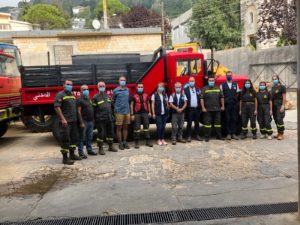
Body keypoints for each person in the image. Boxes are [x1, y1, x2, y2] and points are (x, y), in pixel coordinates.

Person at [54, 80, 81, 165]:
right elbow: (57, 107)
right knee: (65, 139)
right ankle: (65, 158)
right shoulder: (60, 95)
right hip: (66, 122)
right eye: (68, 84)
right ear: (64, 85)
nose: (69, 86)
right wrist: (62, 119)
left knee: (74, 138)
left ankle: (72, 155)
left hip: (73, 121)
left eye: (71, 85)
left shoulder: (72, 95)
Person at [93, 81, 118, 154]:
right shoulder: (95, 97)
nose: (102, 87)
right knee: (101, 134)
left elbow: (111, 107)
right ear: (98, 87)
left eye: (103, 86)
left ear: (105, 87)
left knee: (111, 133)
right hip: (100, 119)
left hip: (109, 118)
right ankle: (100, 148)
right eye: (100, 86)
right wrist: (94, 119)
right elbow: (93, 109)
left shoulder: (108, 96)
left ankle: (110, 146)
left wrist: (113, 116)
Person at [201, 77, 225, 142]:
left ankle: (219, 136)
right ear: (208, 81)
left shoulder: (218, 88)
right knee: (207, 124)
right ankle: (207, 137)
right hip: (207, 110)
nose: (211, 81)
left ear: (214, 81)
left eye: (212, 80)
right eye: (210, 80)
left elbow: (222, 97)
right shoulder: (204, 88)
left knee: (218, 124)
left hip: (217, 109)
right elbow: (202, 99)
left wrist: (222, 106)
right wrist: (203, 107)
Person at [130, 83, 153, 149]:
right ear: (137, 87)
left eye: (141, 87)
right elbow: (131, 105)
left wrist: (150, 112)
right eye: (139, 87)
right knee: (137, 128)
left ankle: (148, 141)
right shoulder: (134, 95)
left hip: (145, 113)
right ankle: (137, 142)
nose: (140, 88)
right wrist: (132, 114)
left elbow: (148, 103)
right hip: (137, 114)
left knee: (146, 127)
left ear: (143, 87)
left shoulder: (146, 95)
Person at [77, 84, 97, 158]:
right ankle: (81, 153)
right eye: (84, 89)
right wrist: (81, 122)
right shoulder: (79, 99)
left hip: (90, 121)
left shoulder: (89, 98)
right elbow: (78, 112)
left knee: (89, 137)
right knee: (82, 138)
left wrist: (93, 119)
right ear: (81, 91)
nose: (86, 91)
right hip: (84, 121)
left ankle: (89, 150)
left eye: (87, 89)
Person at [220, 71, 240, 140]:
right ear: (226, 76)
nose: (229, 76)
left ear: (232, 76)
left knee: (234, 119)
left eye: (230, 75)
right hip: (226, 105)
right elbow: (221, 95)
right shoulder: (222, 85)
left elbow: (237, 94)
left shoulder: (235, 84)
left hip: (234, 104)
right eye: (228, 75)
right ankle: (228, 133)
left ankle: (233, 133)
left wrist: (233, 99)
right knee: (227, 119)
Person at [113, 76, 131, 150]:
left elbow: (128, 100)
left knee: (126, 127)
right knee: (119, 128)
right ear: (119, 81)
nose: (123, 81)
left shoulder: (127, 90)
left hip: (127, 111)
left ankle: (124, 142)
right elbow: (113, 101)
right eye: (121, 80)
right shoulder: (116, 90)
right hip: (119, 112)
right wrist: (116, 109)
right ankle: (120, 143)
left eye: (124, 80)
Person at [184, 77, 202, 142]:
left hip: (197, 109)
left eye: (193, 81)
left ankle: (197, 135)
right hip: (189, 109)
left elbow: (200, 98)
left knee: (197, 123)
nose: (192, 82)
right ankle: (189, 136)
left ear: (195, 81)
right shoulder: (185, 90)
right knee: (189, 123)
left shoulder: (198, 89)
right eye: (190, 81)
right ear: (188, 82)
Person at [271, 75, 286, 140]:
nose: (274, 80)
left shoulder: (282, 87)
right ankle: (278, 133)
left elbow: (284, 97)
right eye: (273, 79)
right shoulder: (273, 87)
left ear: (278, 79)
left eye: (275, 79)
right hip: (274, 104)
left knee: (279, 119)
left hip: (279, 104)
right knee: (276, 119)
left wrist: (283, 105)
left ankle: (281, 133)